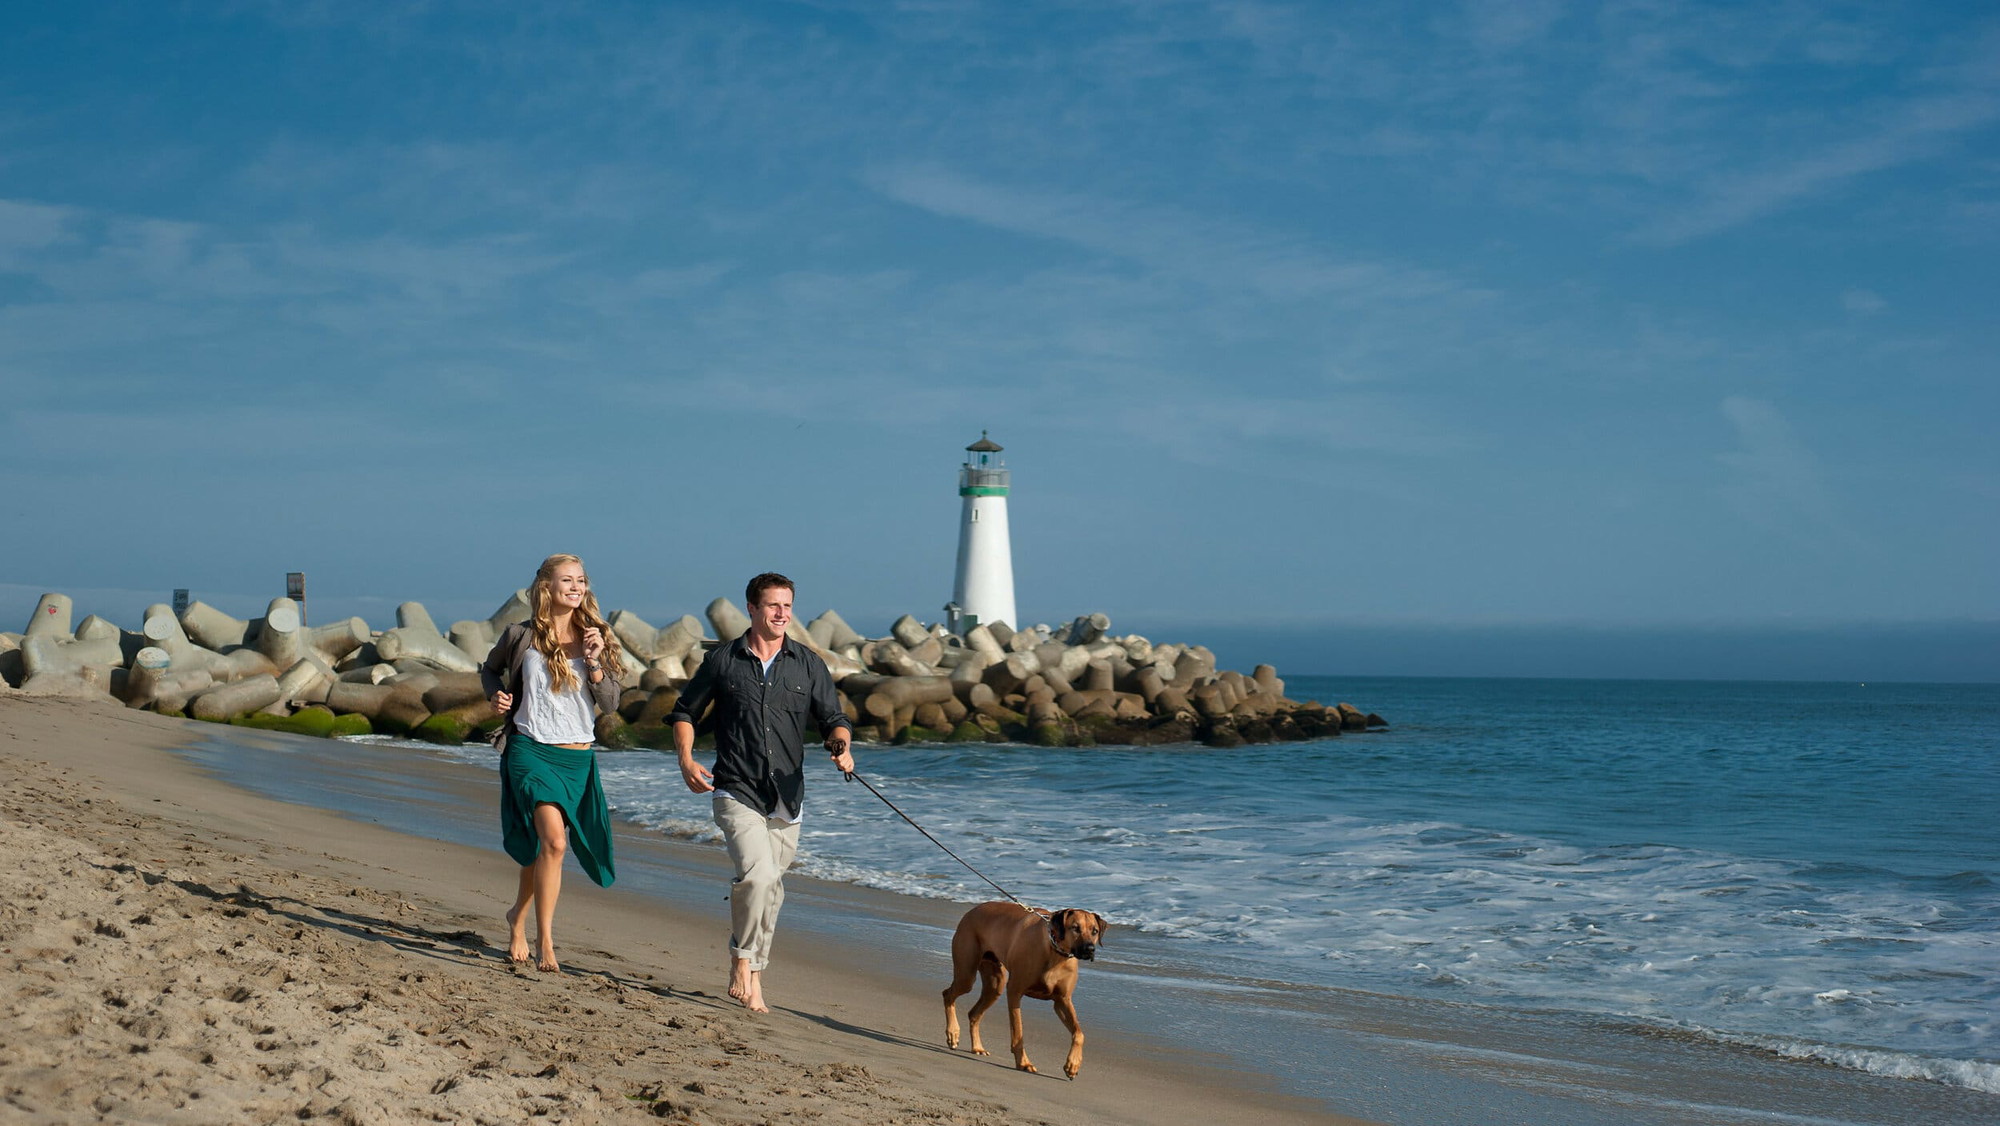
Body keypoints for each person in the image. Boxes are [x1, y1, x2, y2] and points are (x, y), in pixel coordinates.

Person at [672, 572, 854, 1012]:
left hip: (787, 796)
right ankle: (741, 958)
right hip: (735, 786)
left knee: (772, 890)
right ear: (752, 609)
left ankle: (755, 976)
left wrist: (842, 748)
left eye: (787, 605)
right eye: (773, 605)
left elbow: (834, 717)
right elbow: (685, 711)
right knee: (760, 876)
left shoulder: (808, 663)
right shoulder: (723, 661)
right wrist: (686, 758)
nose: (782, 614)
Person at [479, 553, 626, 973]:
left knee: (543, 849)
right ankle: (546, 939)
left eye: (581, 580)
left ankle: (517, 918)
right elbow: (490, 671)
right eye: (567, 580)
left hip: (576, 758)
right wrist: (497, 697)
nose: (576, 587)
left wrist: (596, 660)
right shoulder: (519, 636)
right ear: (546, 586)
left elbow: (611, 704)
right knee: (555, 842)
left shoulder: (596, 636)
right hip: (530, 750)